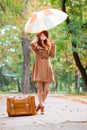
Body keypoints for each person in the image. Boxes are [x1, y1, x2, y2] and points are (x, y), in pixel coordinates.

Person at [30, 30, 56, 114]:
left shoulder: (48, 45)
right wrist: (37, 38)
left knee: (47, 90)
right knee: (40, 88)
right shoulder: (36, 45)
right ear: (38, 36)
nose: (43, 36)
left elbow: (52, 55)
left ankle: (40, 105)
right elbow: (32, 44)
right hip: (39, 67)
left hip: (47, 67)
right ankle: (42, 107)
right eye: (41, 35)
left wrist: (53, 46)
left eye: (44, 35)